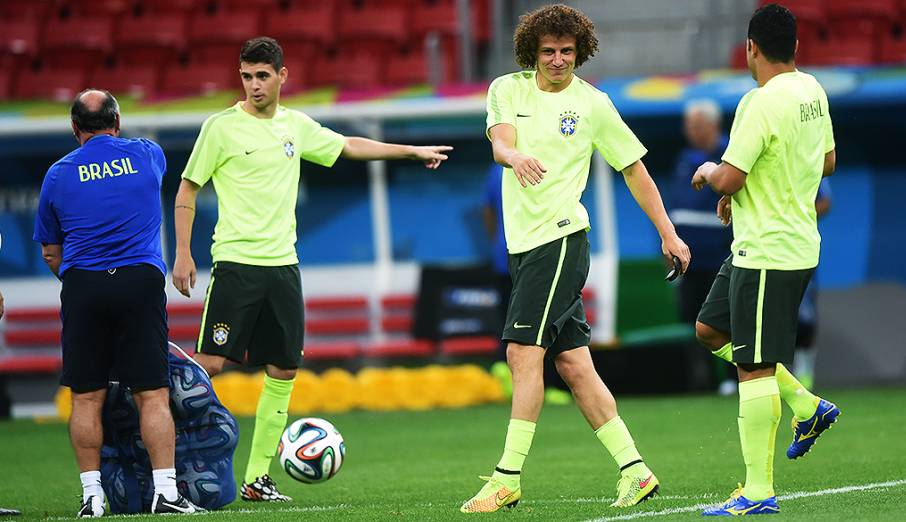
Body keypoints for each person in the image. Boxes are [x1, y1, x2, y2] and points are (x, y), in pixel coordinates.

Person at [171, 37, 452, 502]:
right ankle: (163, 461)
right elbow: (187, 189)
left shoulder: (295, 126)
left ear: (283, 76)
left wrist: (410, 150)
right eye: (246, 76)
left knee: (283, 370)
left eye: (262, 76)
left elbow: (347, 146)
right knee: (209, 365)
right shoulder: (220, 128)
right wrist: (183, 253)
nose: (254, 85)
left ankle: (257, 478)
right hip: (236, 265)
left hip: (283, 267)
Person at [460, 5, 691, 512]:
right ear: (531, 52)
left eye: (568, 51)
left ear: (580, 51)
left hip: (562, 241)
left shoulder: (594, 105)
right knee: (574, 365)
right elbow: (501, 143)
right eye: (549, 51)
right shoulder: (507, 89)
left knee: (522, 354)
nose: (559, 59)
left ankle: (507, 477)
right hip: (523, 248)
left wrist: (667, 232)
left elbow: (635, 171)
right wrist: (516, 156)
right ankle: (636, 471)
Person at [689, 4, 840, 516]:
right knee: (711, 330)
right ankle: (805, 403)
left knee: (753, 368)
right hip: (777, 243)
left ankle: (758, 492)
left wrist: (711, 171)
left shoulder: (759, 102)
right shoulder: (812, 91)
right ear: (796, 47)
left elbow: (728, 175)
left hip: (768, 251)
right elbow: (827, 162)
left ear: (751, 47)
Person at [33, 90, 201, 516]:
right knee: (152, 394)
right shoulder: (148, 154)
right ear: (117, 121)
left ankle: (93, 497)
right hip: (139, 282)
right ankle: (166, 491)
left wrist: (83, 283)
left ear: (74, 129)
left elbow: (51, 252)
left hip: (84, 285)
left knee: (86, 398)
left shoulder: (56, 174)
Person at [484, 164, 572, 405]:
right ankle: (541, 385)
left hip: (508, 257)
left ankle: (516, 382)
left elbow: (488, 211)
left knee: (510, 324)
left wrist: (496, 241)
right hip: (532, 257)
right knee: (543, 325)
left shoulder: (496, 171)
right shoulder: (540, 163)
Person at [668, 99, 737, 396]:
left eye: (697, 126)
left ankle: (737, 378)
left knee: (730, 321)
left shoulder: (730, 153)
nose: (692, 132)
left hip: (723, 258)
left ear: (713, 125)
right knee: (694, 322)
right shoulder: (684, 159)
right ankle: (705, 382)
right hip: (690, 260)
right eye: (689, 126)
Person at [794, 178, 832, 389]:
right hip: (765, 248)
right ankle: (772, 378)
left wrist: (794, 218)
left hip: (800, 248)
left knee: (805, 316)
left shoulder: (809, 155)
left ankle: (804, 373)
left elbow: (825, 201)